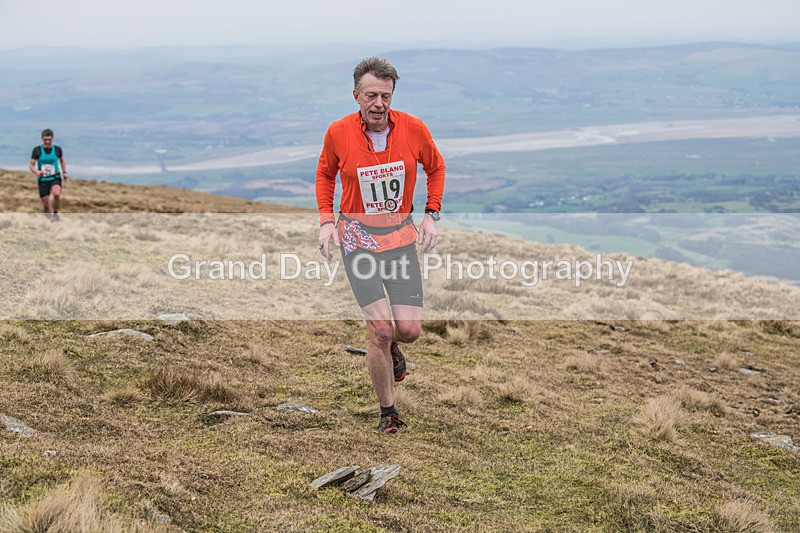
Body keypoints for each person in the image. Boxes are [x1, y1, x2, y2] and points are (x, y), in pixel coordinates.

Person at [315, 57, 445, 434]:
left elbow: (436, 168)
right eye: (371, 95)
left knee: (407, 331)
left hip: (400, 238)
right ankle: (388, 413)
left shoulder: (413, 129)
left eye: (385, 96)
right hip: (357, 239)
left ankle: (393, 350)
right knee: (380, 330)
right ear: (356, 96)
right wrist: (327, 222)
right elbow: (325, 175)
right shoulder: (338, 132)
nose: (378, 103)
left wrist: (430, 213)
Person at [29, 128, 68, 221]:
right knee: (46, 205)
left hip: (55, 177)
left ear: (52, 138)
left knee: (56, 193)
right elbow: (31, 165)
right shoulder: (37, 150)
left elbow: (62, 160)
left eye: (49, 139)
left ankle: (55, 214)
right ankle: (48, 221)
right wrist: (37, 172)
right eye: (45, 139)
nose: (47, 141)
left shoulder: (57, 149)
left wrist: (64, 172)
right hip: (43, 180)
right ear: (42, 138)